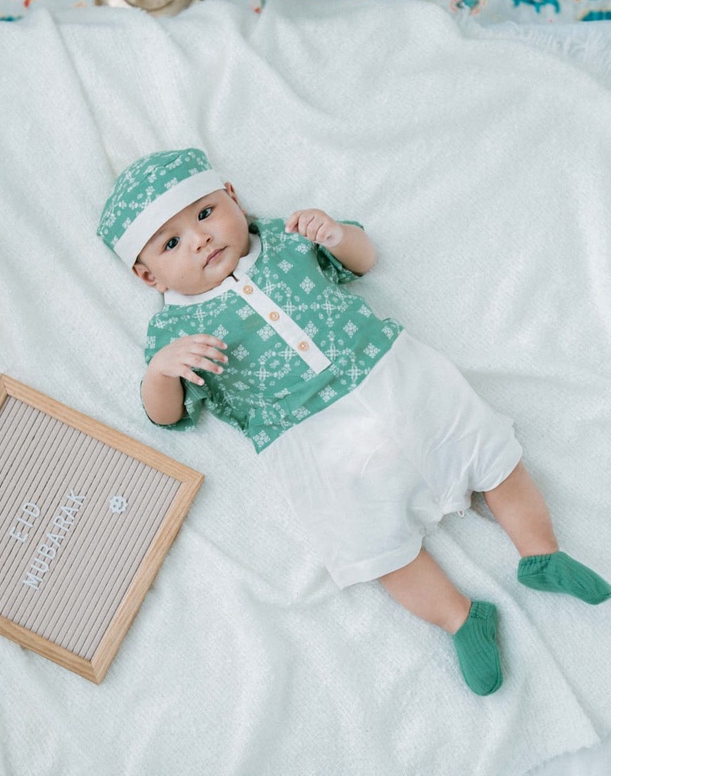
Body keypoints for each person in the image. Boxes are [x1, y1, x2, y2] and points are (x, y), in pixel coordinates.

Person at [97, 148, 610, 695]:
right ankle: (461, 618)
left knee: (486, 450)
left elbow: (362, 261)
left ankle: (541, 552)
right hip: (306, 435)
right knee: (370, 543)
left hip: (386, 370)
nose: (200, 239)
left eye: (205, 214)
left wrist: (338, 235)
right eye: (171, 243)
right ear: (148, 276)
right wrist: (161, 373)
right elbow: (166, 417)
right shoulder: (172, 333)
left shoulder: (288, 238)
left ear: (233, 198)